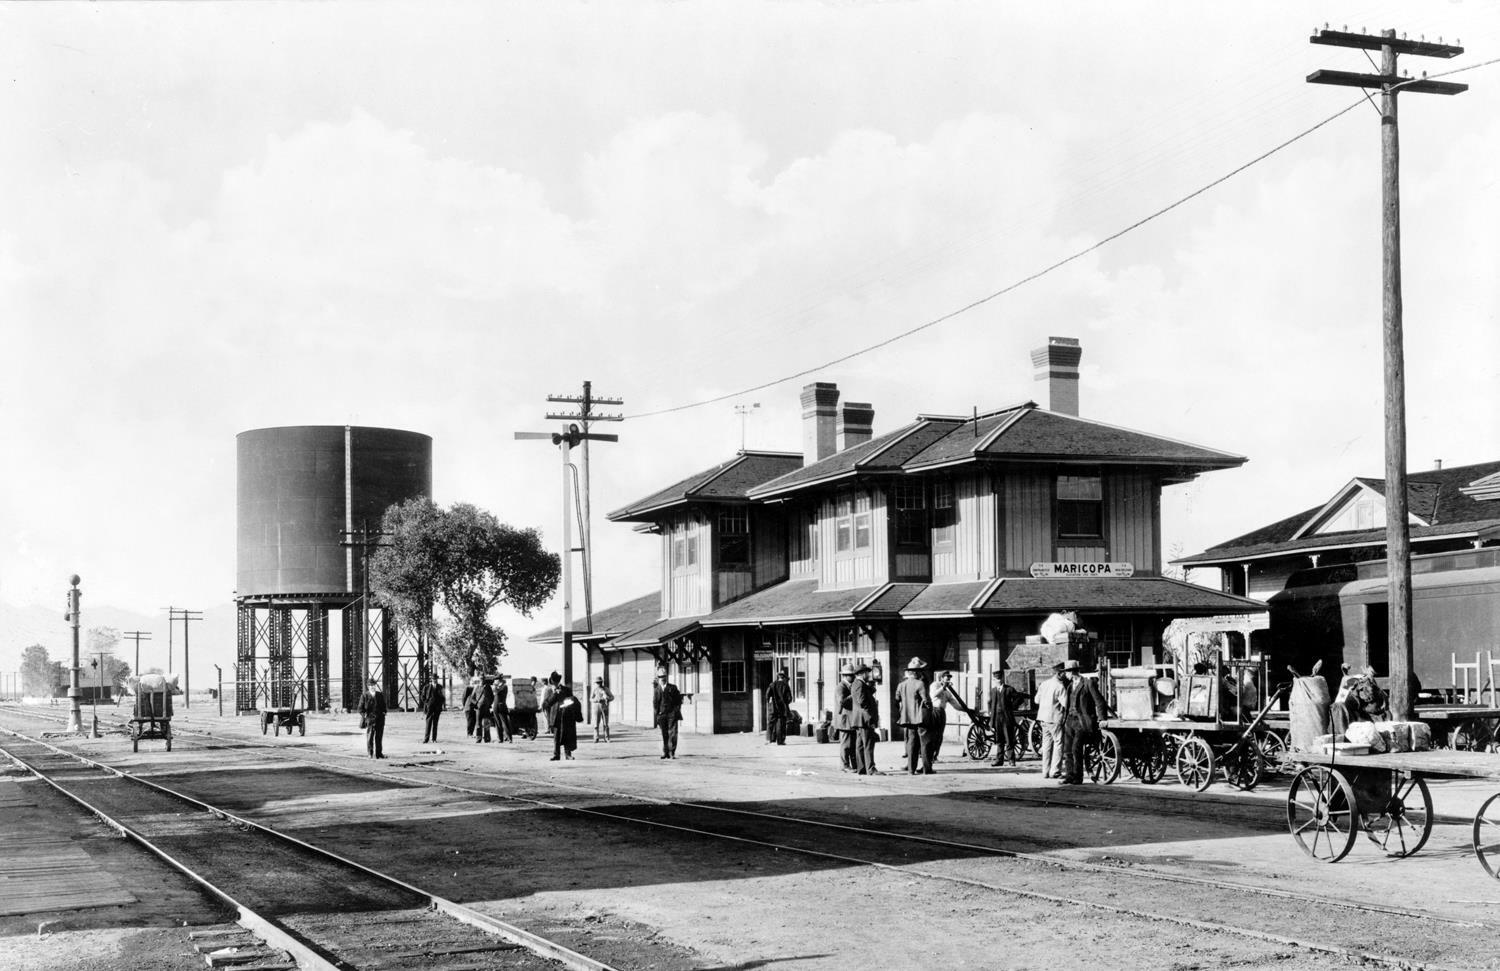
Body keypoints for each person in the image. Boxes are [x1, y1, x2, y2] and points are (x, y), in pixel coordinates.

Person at [1060, 659, 1107, 785]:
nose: (1065, 675)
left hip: (1083, 722)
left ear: (1072, 672)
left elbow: (1100, 701)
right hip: (1070, 720)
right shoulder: (1070, 686)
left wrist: (1102, 719)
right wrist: (1064, 720)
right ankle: (1070, 775)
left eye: (1066, 672)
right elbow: (1068, 704)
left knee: (1076, 748)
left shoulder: (1088, 683)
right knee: (1067, 749)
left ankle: (1078, 777)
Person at [895, 658, 933, 775]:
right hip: (921, 718)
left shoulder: (901, 685)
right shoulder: (920, 683)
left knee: (911, 743)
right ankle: (927, 769)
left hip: (908, 718)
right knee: (925, 743)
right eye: (919, 672)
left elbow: (897, 700)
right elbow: (926, 700)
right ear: (916, 672)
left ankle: (911, 770)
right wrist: (929, 708)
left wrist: (903, 710)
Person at [1033, 661, 1068, 779]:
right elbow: (1065, 704)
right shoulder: (1060, 686)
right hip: (1055, 718)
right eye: (1064, 673)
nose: (1066, 675)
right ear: (1060, 674)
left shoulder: (1044, 684)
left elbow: (1036, 701)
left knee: (1046, 745)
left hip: (1043, 718)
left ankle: (1045, 771)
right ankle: (1055, 771)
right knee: (1058, 744)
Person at [850, 662, 881, 775]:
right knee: (868, 744)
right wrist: (870, 714)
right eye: (867, 672)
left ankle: (862, 768)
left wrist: (871, 685)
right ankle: (871, 768)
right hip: (864, 718)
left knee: (861, 745)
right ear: (862, 674)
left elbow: (868, 693)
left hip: (860, 719)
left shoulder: (859, 683)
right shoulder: (859, 684)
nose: (869, 674)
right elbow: (862, 701)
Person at [987, 670, 1020, 767]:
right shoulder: (993, 691)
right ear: (994, 680)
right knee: (999, 739)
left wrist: (1012, 707)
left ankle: (1011, 760)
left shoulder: (1009, 689)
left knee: (1009, 739)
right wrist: (991, 716)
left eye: (999, 679)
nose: (998, 681)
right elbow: (990, 703)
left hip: (1006, 718)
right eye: (996, 679)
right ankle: (999, 760)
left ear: (1002, 679)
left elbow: (1019, 699)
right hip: (997, 718)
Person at [653, 666, 684, 759]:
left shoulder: (673, 688)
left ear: (666, 677)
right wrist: (657, 714)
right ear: (658, 678)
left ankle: (672, 752)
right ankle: (665, 752)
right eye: (660, 677)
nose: (662, 679)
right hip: (662, 714)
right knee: (664, 734)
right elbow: (655, 703)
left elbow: (679, 700)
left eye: (663, 676)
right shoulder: (657, 690)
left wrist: (675, 710)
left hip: (672, 714)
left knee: (673, 733)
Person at [928, 671, 957, 765]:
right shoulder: (934, 685)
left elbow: (955, 704)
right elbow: (933, 694)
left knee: (939, 735)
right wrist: (943, 687)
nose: (948, 678)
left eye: (949, 677)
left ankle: (935, 756)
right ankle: (929, 756)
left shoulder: (947, 692)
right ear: (941, 678)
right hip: (934, 711)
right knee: (933, 735)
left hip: (941, 712)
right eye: (946, 677)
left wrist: (967, 710)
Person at [835, 662, 857, 772]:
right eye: (851, 675)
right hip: (844, 720)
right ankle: (844, 765)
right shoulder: (841, 686)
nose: (853, 677)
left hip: (850, 719)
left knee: (852, 743)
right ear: (845, 676)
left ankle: (853, 764)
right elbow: (842, 702)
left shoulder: (850, 686)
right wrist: (854, 695)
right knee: (846, 744)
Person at [549, 685, 581, 760]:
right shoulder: (555, 696)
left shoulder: (570, 699)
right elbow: (548, 703)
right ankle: (557, 755)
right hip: (557, 719)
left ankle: (567, 755)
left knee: (567, 736)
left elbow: (576, 705)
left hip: (567, 719)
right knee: (556, 737)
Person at [358, 681, 387, 759]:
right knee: (370, 736)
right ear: (368, 687)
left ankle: (379, 754)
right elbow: (360, 709)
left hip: (380, 719)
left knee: (379, 737)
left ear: (376, 686)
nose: (372, 687)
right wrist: (365, 716)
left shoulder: (380, 695)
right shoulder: (364, 696)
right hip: (370, 719)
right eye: (371, 685)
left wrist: (384, 712)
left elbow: (384, 706)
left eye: (374, 685)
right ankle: (370, 753)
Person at [766, 668, 794, 745]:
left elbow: (767, 695)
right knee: (781, 724)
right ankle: (780, 741)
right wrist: (785, 702)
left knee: (771, 723)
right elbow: (789, 698)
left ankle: (769, 739)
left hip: (773, 707)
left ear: (778, 677)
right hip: (782, 707)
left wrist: (769, 703)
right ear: (784, 677)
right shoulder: (786, 686)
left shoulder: (772, 685)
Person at [419, 677, 445, 744]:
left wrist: (440, 704)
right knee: (428, 723)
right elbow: (422, 696)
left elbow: (443, 697)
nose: (435, 680)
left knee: (435, 723)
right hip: (429, 707)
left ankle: (434, 739)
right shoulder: (426, 687)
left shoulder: (440, 687)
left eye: (436, 679)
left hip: (437, 708)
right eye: (433, 679)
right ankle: (426, 739)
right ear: (431, 679)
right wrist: (427, 703)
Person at [591, 677, 614, 743]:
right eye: (597, 682)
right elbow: (590, 699)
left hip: (605, 707)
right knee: (596, 724)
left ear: (602, 682)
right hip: (597, 707)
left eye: (600, 682)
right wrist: (596, 700)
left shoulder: (606, 689)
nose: (599, 684)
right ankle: (596, 738)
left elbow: (612, 697)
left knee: (606, 724)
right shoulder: (594, 689)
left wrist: (607, 699)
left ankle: (606, 738)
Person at [474, 677, 496, 744]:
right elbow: (472, 698)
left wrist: (489, 703)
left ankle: (487, 738)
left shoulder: (488, 687)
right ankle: (478, 738)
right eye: (481, 679)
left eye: (483, 679)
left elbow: (492, 697)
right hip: (479, 708)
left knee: (486, 723)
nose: (482, 681)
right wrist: (476, 704)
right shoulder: (477, 687)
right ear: (479, 680)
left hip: (486, 708)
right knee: (478, 724)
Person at [492, 674, 513, 743]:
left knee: (504, 722)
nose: (495, 681)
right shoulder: (498, 686)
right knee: (498, 723)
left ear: (499, 680)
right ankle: (500, 738)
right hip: (496, 706)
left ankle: (509, 738)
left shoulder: (504, 686)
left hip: (501, 705)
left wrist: (495, 686)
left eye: (496, 680)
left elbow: (496, 691)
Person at [540, 672, 560, 736]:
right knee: (549, 716)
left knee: (546, 717)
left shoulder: (544, 689)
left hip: (546, 704)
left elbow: (543, 698)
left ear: (543, 682)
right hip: (551, 704)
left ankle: (547, 729)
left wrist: (541, 705)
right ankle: (551, 729)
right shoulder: (550, 688)